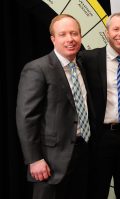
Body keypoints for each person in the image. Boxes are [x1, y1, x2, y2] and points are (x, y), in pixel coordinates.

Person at [16, 14, 93, 199]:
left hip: (83, 153)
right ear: (53, 39)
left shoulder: (83, 66)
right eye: (63, 34)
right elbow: (26, 117)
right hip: (51, 162)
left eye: (74, 33)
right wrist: (34, 159)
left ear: (81, 37)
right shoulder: (37, 68)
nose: (70, 39)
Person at [78, 12, 120, 199]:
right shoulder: (88, 59)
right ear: (107, 32)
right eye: (116, 29)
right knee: (97, 190)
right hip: (101, 138)